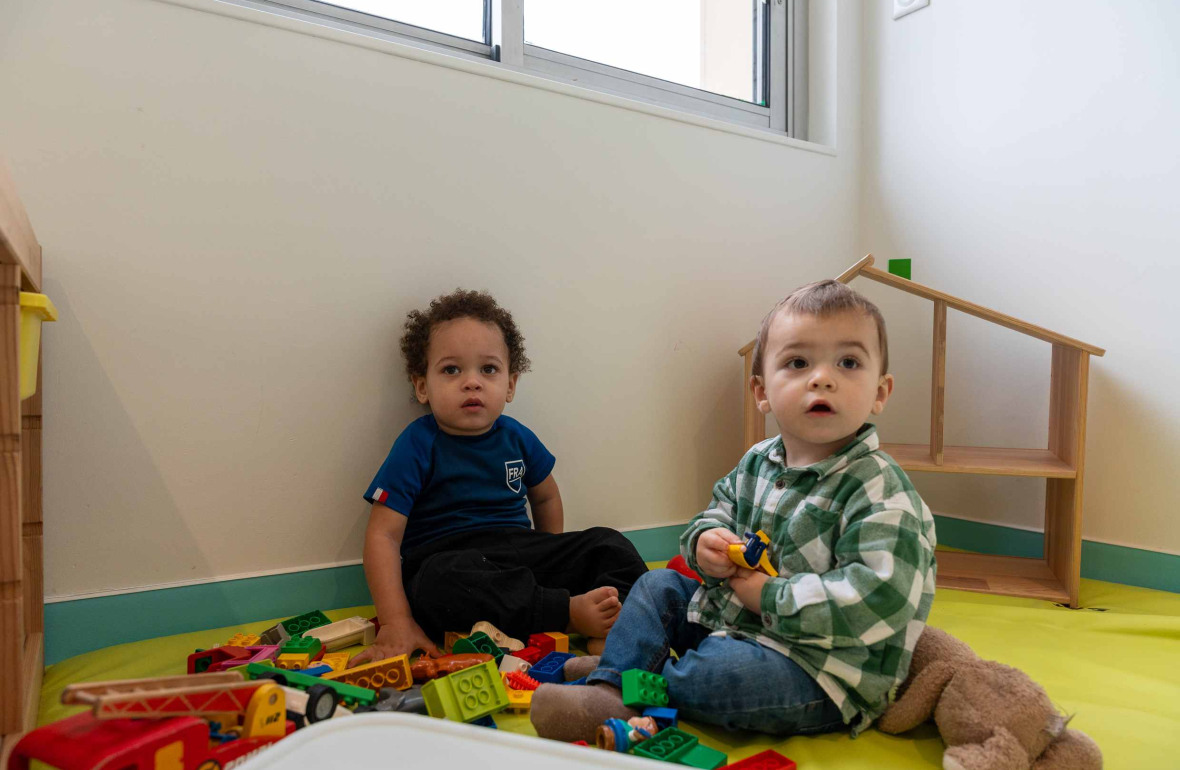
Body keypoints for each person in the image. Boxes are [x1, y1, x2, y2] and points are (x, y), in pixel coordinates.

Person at [531, 279, 937, 742]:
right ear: (762, 392)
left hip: (818, 671)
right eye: (798, 362)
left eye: (848, 362)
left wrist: (771, 597)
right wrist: (706, 545)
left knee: (721, 673)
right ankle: (609, 686)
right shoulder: (759, 461)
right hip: (729, 622)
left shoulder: (879, 489)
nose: (822, 377)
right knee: (657, 583)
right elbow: (716, 514)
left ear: (880, 392)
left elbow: (880, 597)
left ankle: (634, 675)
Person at [349, 289, 647, 667]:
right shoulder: (417, 444)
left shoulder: (516, 436)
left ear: (510, 384)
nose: (471, 382)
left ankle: (623, 624)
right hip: (451, 559)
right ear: (422, 386)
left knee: (610, 544)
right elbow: (383, 535)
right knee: (439, 581)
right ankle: (566, 613)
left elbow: (546, 498)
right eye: (451, 369)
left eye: (488, 369)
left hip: (519, 551)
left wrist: (548, 555)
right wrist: (396, 621)